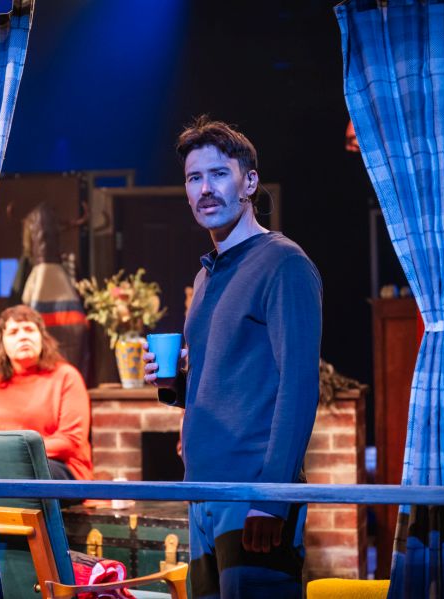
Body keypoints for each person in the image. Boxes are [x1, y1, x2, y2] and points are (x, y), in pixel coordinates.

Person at [144, 116, 322, 599]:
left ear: (249, 182)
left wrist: (272, 497)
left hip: (252, 494)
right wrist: (176, 386)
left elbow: (300, 386)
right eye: (194, 177)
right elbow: (231, 380)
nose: (205, 188)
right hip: (202, 492)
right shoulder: (206, 277)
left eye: (219, 174)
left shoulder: (283, 263)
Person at [0, 304, 93, 482]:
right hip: (1, 467)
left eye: (29, 329)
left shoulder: (66, 376)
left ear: (42, 338)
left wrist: (14, 454)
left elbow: (70, 441)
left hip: (60, 467)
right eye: (13, 332)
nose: (23, 336)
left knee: (20, 475)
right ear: (2, 343)